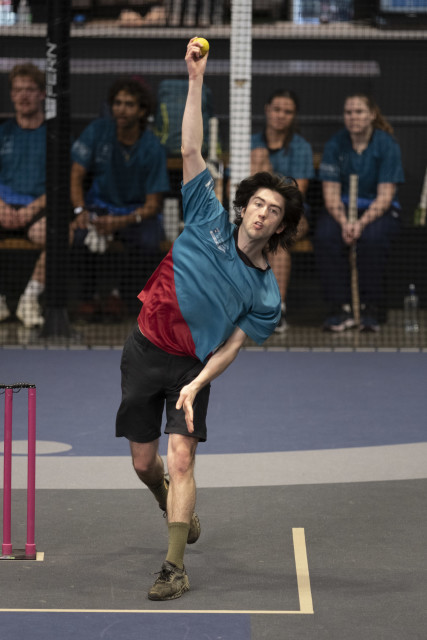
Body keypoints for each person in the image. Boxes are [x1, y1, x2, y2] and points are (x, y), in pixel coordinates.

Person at [115, 38, 303, 601]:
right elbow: (191, 147)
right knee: (144, 464)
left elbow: (233, 347)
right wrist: (195, 80)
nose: (262, 214)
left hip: (190, 368)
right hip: (144, 347)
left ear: (280, 226)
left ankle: (173, 566)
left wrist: (196, 384)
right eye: (258, 203)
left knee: (181, 456)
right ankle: (165, 499)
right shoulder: (206, 213)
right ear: (245, 206)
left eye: (274, 211)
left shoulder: (265, 291)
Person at [70, 77, 170, 318]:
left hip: (135, 213)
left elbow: (153, 205)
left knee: (149, 240)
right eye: (117, 103)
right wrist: (80, 211)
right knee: (79, 234)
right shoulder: (98, 130)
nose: (121, 110)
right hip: (99, 207)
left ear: (142, 111)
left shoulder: (152, 147)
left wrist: (120, 221)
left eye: (129, 104)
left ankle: (121, 297)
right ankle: (88, 297)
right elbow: (76, 175)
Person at [316, 93, 404, 332]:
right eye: (348, 112)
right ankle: (340, 308)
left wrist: (361, 223)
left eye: (359, 112)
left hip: (377, 209)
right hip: (342, 209)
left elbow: (386, 195)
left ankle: (370, 307)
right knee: (325, 235)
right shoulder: (335, 144)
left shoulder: (387, 144)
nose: (353, 117)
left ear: (371, 115)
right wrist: (345, 222)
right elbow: (330, 193)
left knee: (372, 238)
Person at [251, 89, 315, 331]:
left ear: (294, 116)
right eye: (277, 109)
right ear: (267, 110)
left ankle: (276, 311)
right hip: (253, 214)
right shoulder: (250, 143)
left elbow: (296, 195)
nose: (281, 115)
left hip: (290, 216)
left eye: (287, 112)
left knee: (276, 242)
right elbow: (236, 188)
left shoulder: (300, 147)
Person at [0, 63, 48, 328]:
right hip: (3, 207)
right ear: (11, 95)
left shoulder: (54, 134)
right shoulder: (3, 133)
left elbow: (61, 183)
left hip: (38, 208)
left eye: (29, 89)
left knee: (57, 235)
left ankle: (29, 299)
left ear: (42, 94)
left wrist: (32, 209)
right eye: (18, 90)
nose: (23, 96)